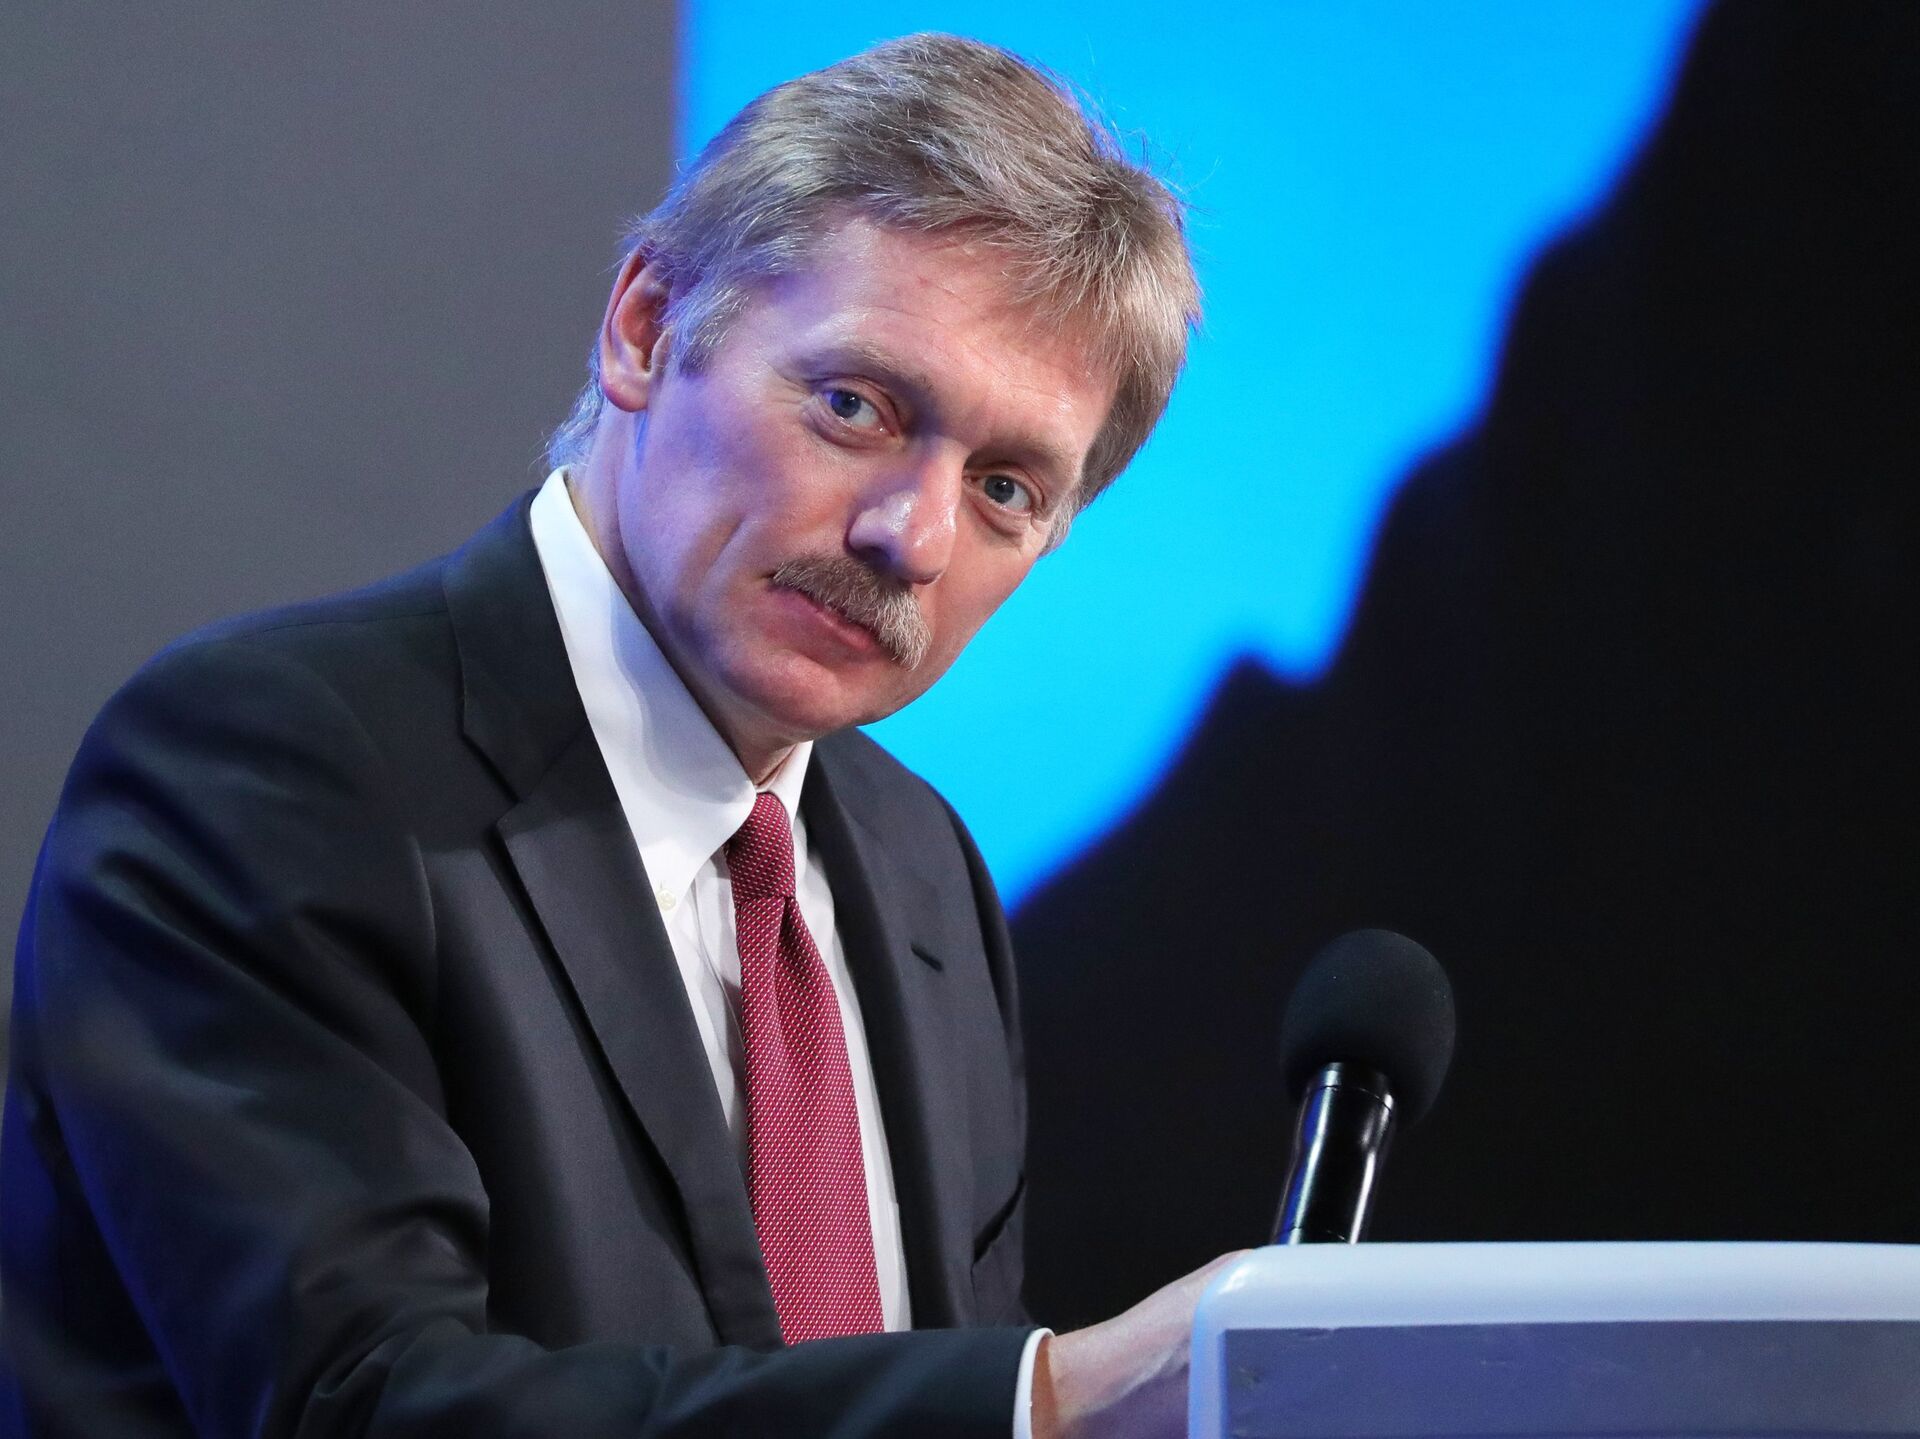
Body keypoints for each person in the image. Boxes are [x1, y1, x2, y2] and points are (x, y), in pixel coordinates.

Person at [0, 32, 1223, 1439]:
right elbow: (368, 1404)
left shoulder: (922, 869)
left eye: (1006, 489)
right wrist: (1048, 1400)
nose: (913, 536)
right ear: (646, 329)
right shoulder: (268, 772)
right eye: (856, 407)